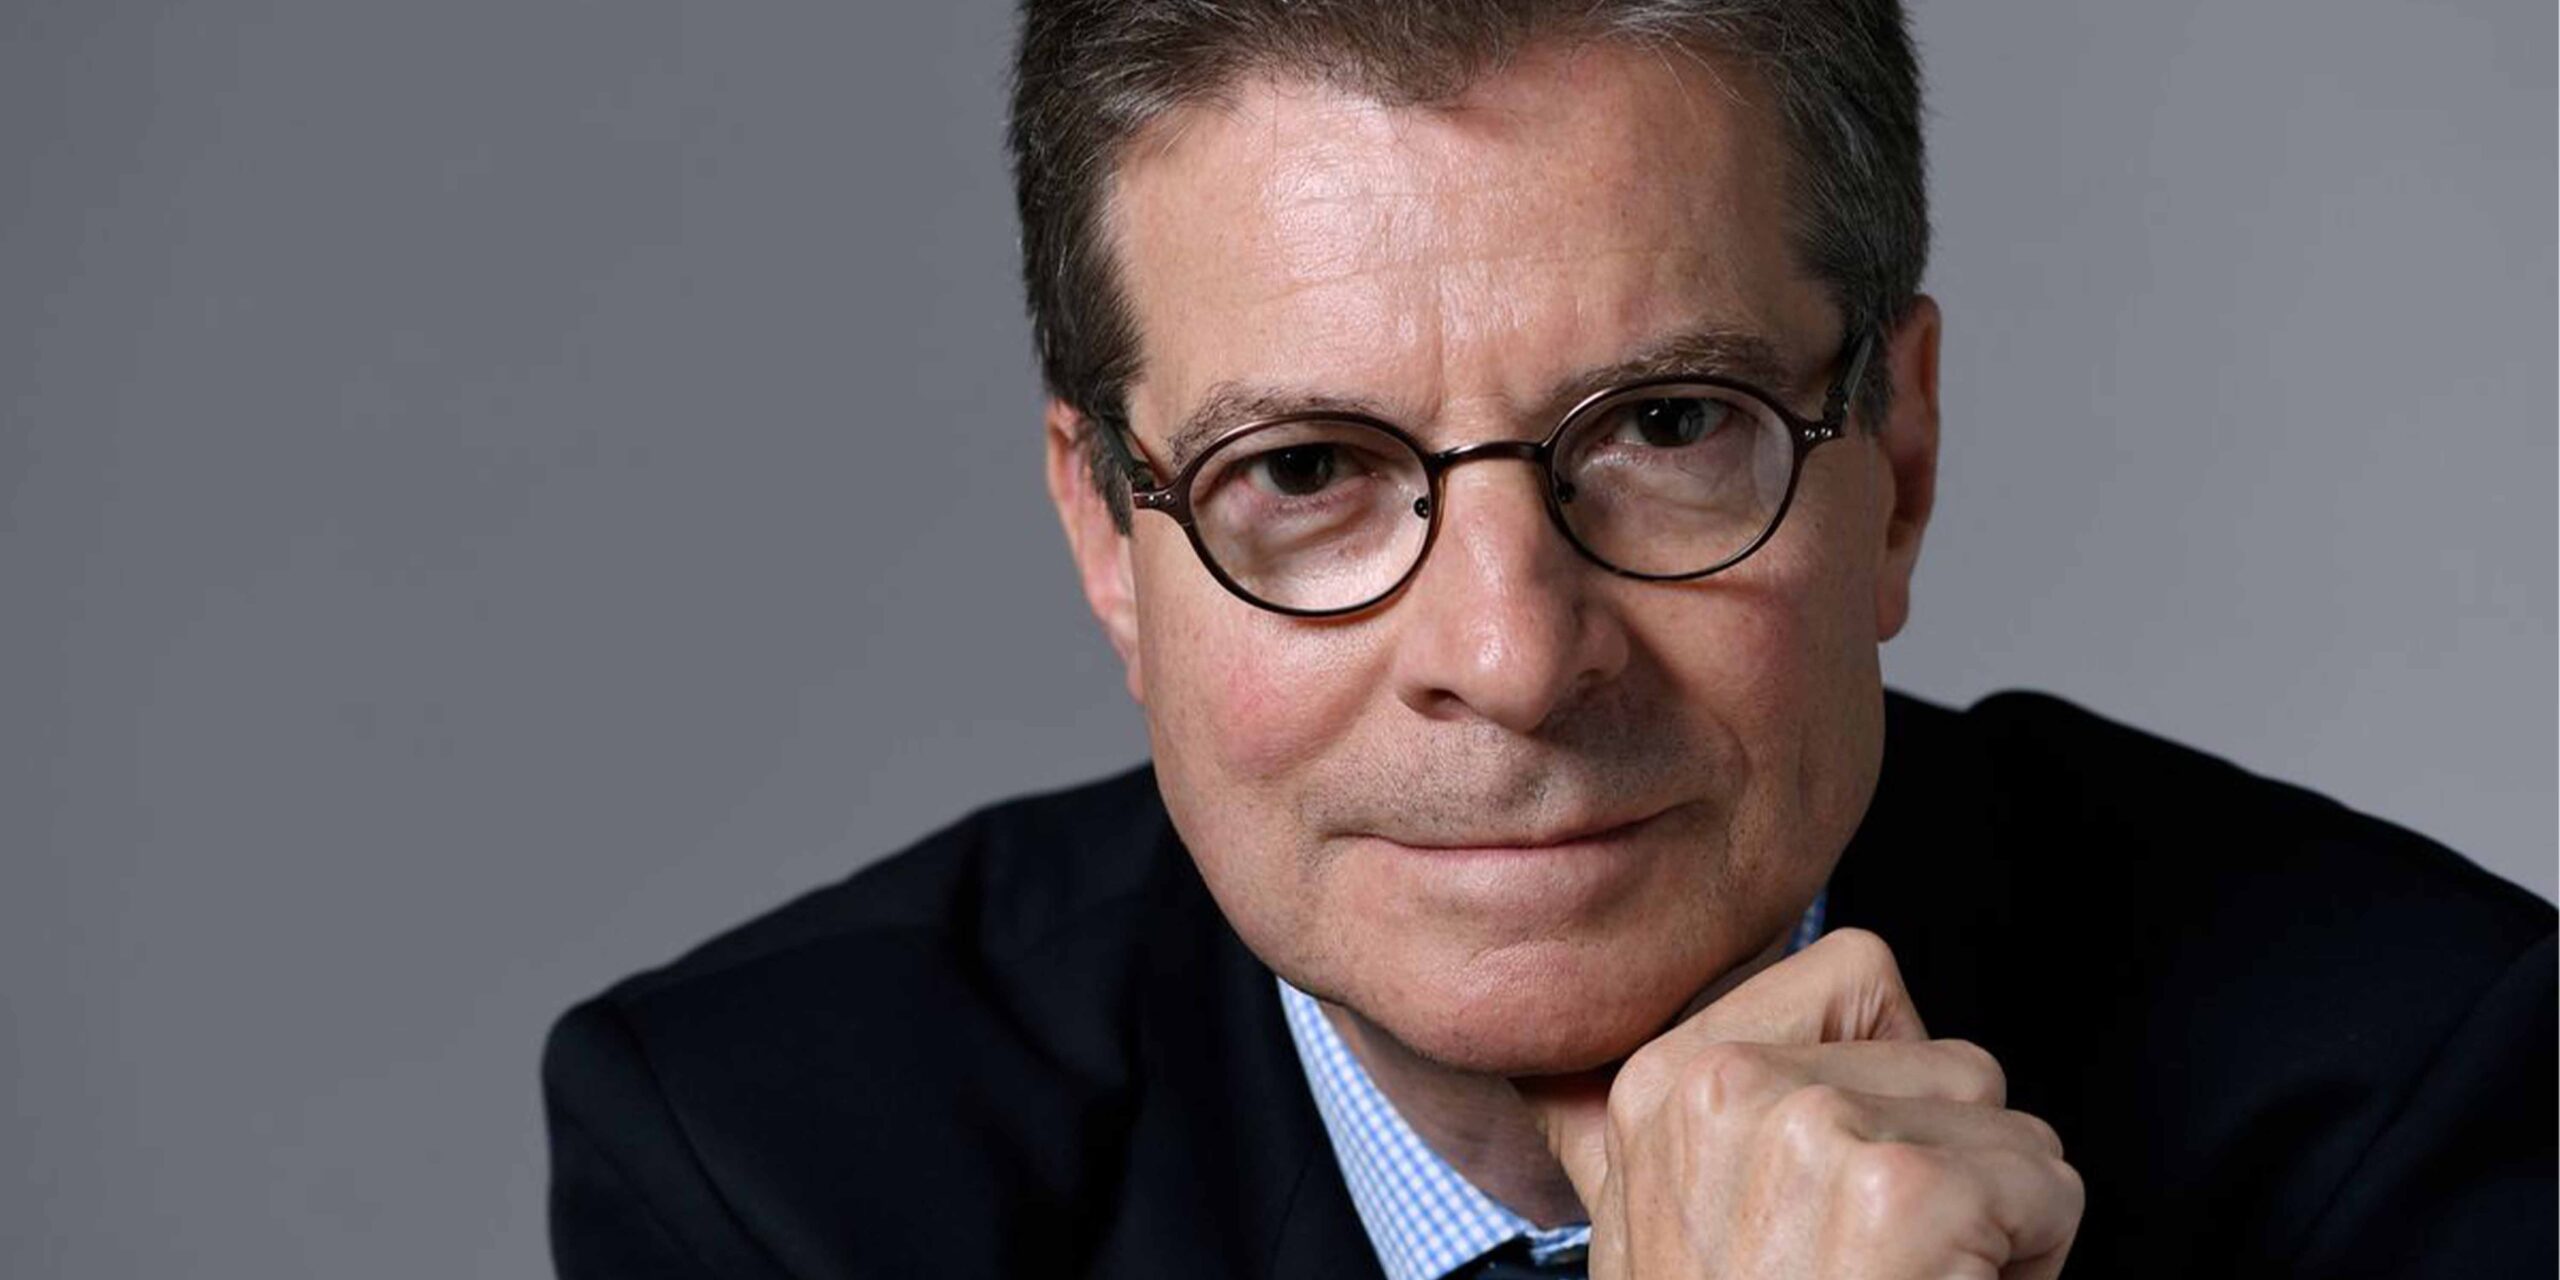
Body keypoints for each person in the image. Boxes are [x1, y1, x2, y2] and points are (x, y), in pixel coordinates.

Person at [541, 2, 2555, 1276]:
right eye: (1306, 469)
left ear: (1898, 465)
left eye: (1667, 428)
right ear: (1105, 535)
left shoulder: (2410, 1087)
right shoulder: (777, 1171)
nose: (1510, 658)